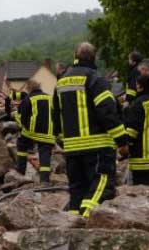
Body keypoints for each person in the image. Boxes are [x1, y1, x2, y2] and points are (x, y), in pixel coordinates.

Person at [53, 43, 126, 217]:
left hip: (72, 149)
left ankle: (72, 223)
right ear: (94, 58)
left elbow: (55, 115)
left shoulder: (61, 82)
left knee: (77, 190)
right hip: (97, 147)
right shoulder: (96, 79)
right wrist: (122, 140)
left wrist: (63, 139)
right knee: (102, 184)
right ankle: (86, 219)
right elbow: (107, 111)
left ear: (75, 56)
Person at [118, 75, 149, 185]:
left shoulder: (139, 103)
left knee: (142, 191)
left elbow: (132, 130)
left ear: (140, 87)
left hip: (141, 158)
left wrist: (125, 144)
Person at [16, 80, 55, 184]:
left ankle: (20, 172)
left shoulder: (28, 99)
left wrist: (23, 127)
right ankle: (45, 180)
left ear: (29, 89)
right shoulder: (49, 97)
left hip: (32, 132)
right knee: (45, 155)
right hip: (48, 132)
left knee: (21, 146)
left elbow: (23, 117)